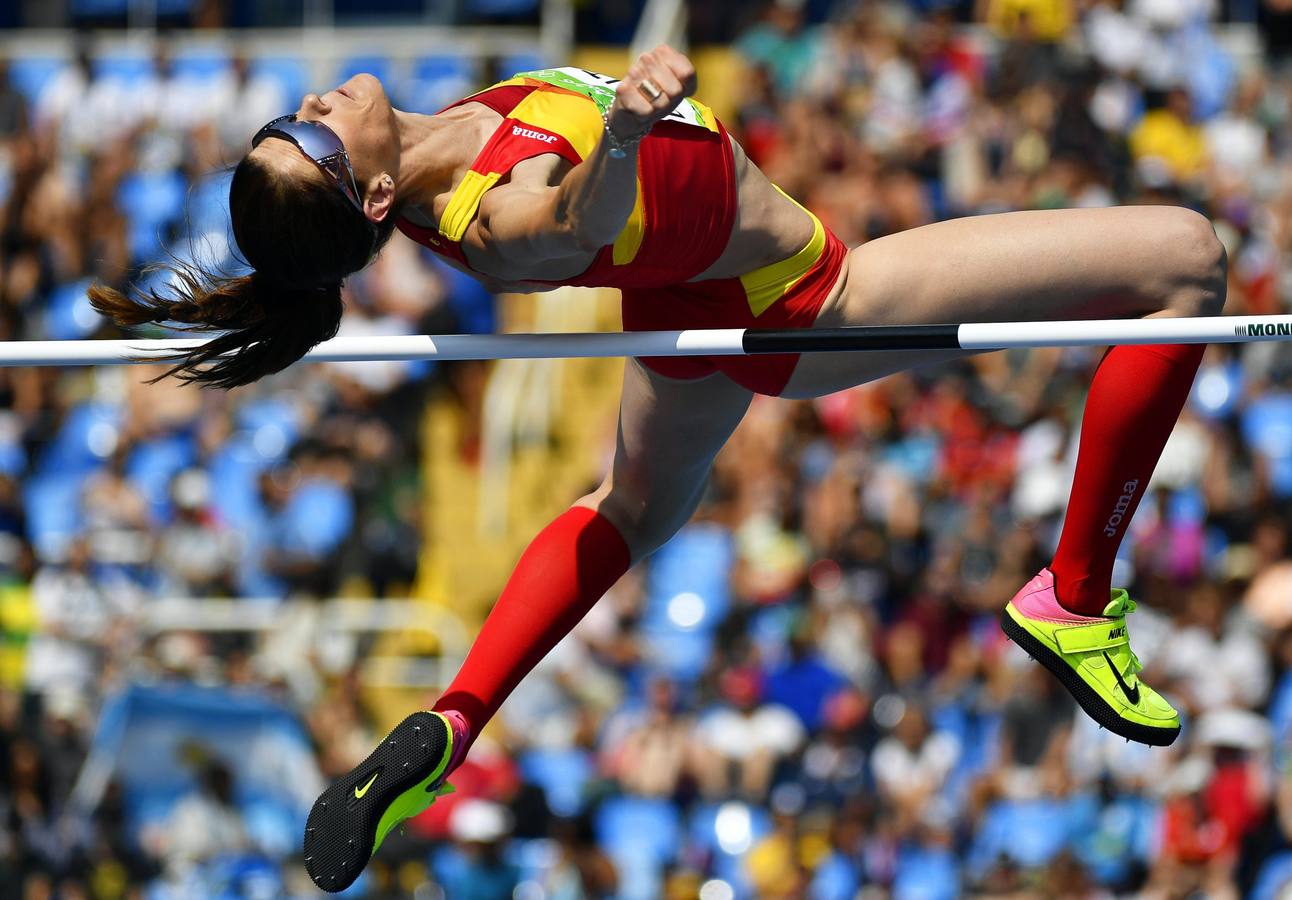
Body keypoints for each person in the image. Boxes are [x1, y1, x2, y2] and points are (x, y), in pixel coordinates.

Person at [88, 46, 1226, 893]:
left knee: (632, 507)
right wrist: (624, 137)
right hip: (810, 303)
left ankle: (454, 721)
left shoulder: (444, 129)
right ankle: (1073, 596)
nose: (319, 103)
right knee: (1184, 263)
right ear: (374, 197)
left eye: (293, 118)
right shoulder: (486, 221)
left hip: (684, 309)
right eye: (318, 139)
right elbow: (567, 225)